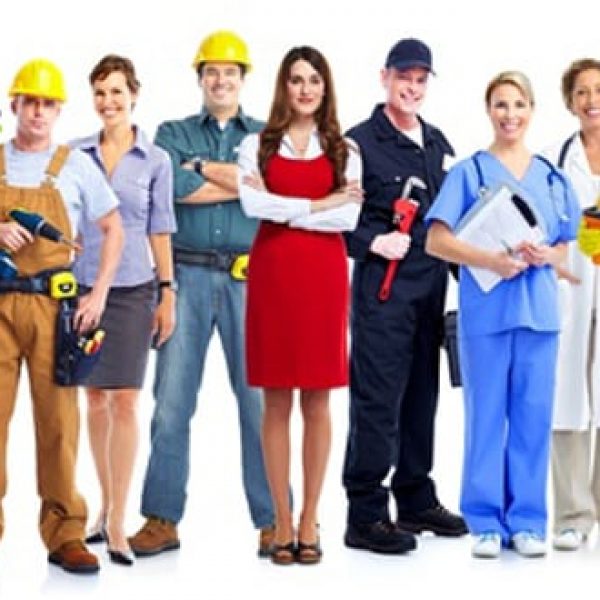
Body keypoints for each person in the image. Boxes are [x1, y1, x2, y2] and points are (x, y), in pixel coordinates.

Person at [129, 30, 275, 558]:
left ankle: (274, 521)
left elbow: (271, 188)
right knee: (170, 403)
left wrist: (202, 173)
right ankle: (160, 519)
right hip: (184, 277)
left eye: (229, 72)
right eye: (211, 71)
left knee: (259, 405)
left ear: (242, 79)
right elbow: (169, 191)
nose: (220, 80)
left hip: (248, 279)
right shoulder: (171, 132)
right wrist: (243, 183)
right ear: (200, 78)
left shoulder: (266, 134)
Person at [425, 71, 580, 559]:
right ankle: (486, 522)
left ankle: (529, 521)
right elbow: (436, 240)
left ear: (532, 110)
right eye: (500, 105)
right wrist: (490, 260)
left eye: (518, 105)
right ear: (488, 110)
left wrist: (547, 256)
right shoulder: (469, 172)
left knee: (533, 420)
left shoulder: (553, 179)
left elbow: (570, 247)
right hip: (486, 316)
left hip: (540, 317)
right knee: (485, 417)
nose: (509, 114)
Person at [342, 38, 466, 555]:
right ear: (384, 77)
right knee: (377, 401)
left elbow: (454, 220)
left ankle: (415, 498)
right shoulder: (356, 143)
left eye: (420, 79)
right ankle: (366, 513)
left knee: (422, 396)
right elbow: (333, 220)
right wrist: (371, 239)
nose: (412, 87)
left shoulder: (437, 143)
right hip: (382, 291)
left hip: (430, 288)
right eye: (403, 78)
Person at [238, 46, 362, 565]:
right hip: (272, 276)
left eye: (314, 79)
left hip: (323, 279)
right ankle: (281, 521)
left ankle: (311, 516)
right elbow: (251, 205)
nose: (305, 88)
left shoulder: (344, 149)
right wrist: (320, 204)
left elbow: (350, 220)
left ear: (325, 87)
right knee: (275, 400)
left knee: (317, 398)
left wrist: (288, 209)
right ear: (283, 86)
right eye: (296, 79)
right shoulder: (255, 145)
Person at [0, 58, 123, 573]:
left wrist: (98, 295)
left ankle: (66, 531)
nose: (39, 112)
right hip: (0, 305)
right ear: (15, 105)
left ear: (56, 111)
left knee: (58, 425)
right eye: (31, 102)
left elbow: (113, 227)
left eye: (48, 104)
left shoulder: (74, 165)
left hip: (56, 309)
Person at [70, 55, 176, 566]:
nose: (108, 102)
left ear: (134, 94)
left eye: (116, 92)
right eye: (100, 93)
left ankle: (117, 522)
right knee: (93, 401)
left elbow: (159, 229)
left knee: (126, 402)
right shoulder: (73, 154)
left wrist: (168, 290)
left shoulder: (155, 160)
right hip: (83, 287)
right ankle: (103, 504)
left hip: (134, 291)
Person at [545, 58, 600, 551]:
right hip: (573, 284)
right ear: (569, 102)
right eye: (581, 92)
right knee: (567, 391)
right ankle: (572, 512)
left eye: (599, 91)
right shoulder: (556, 159)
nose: (592, 100)